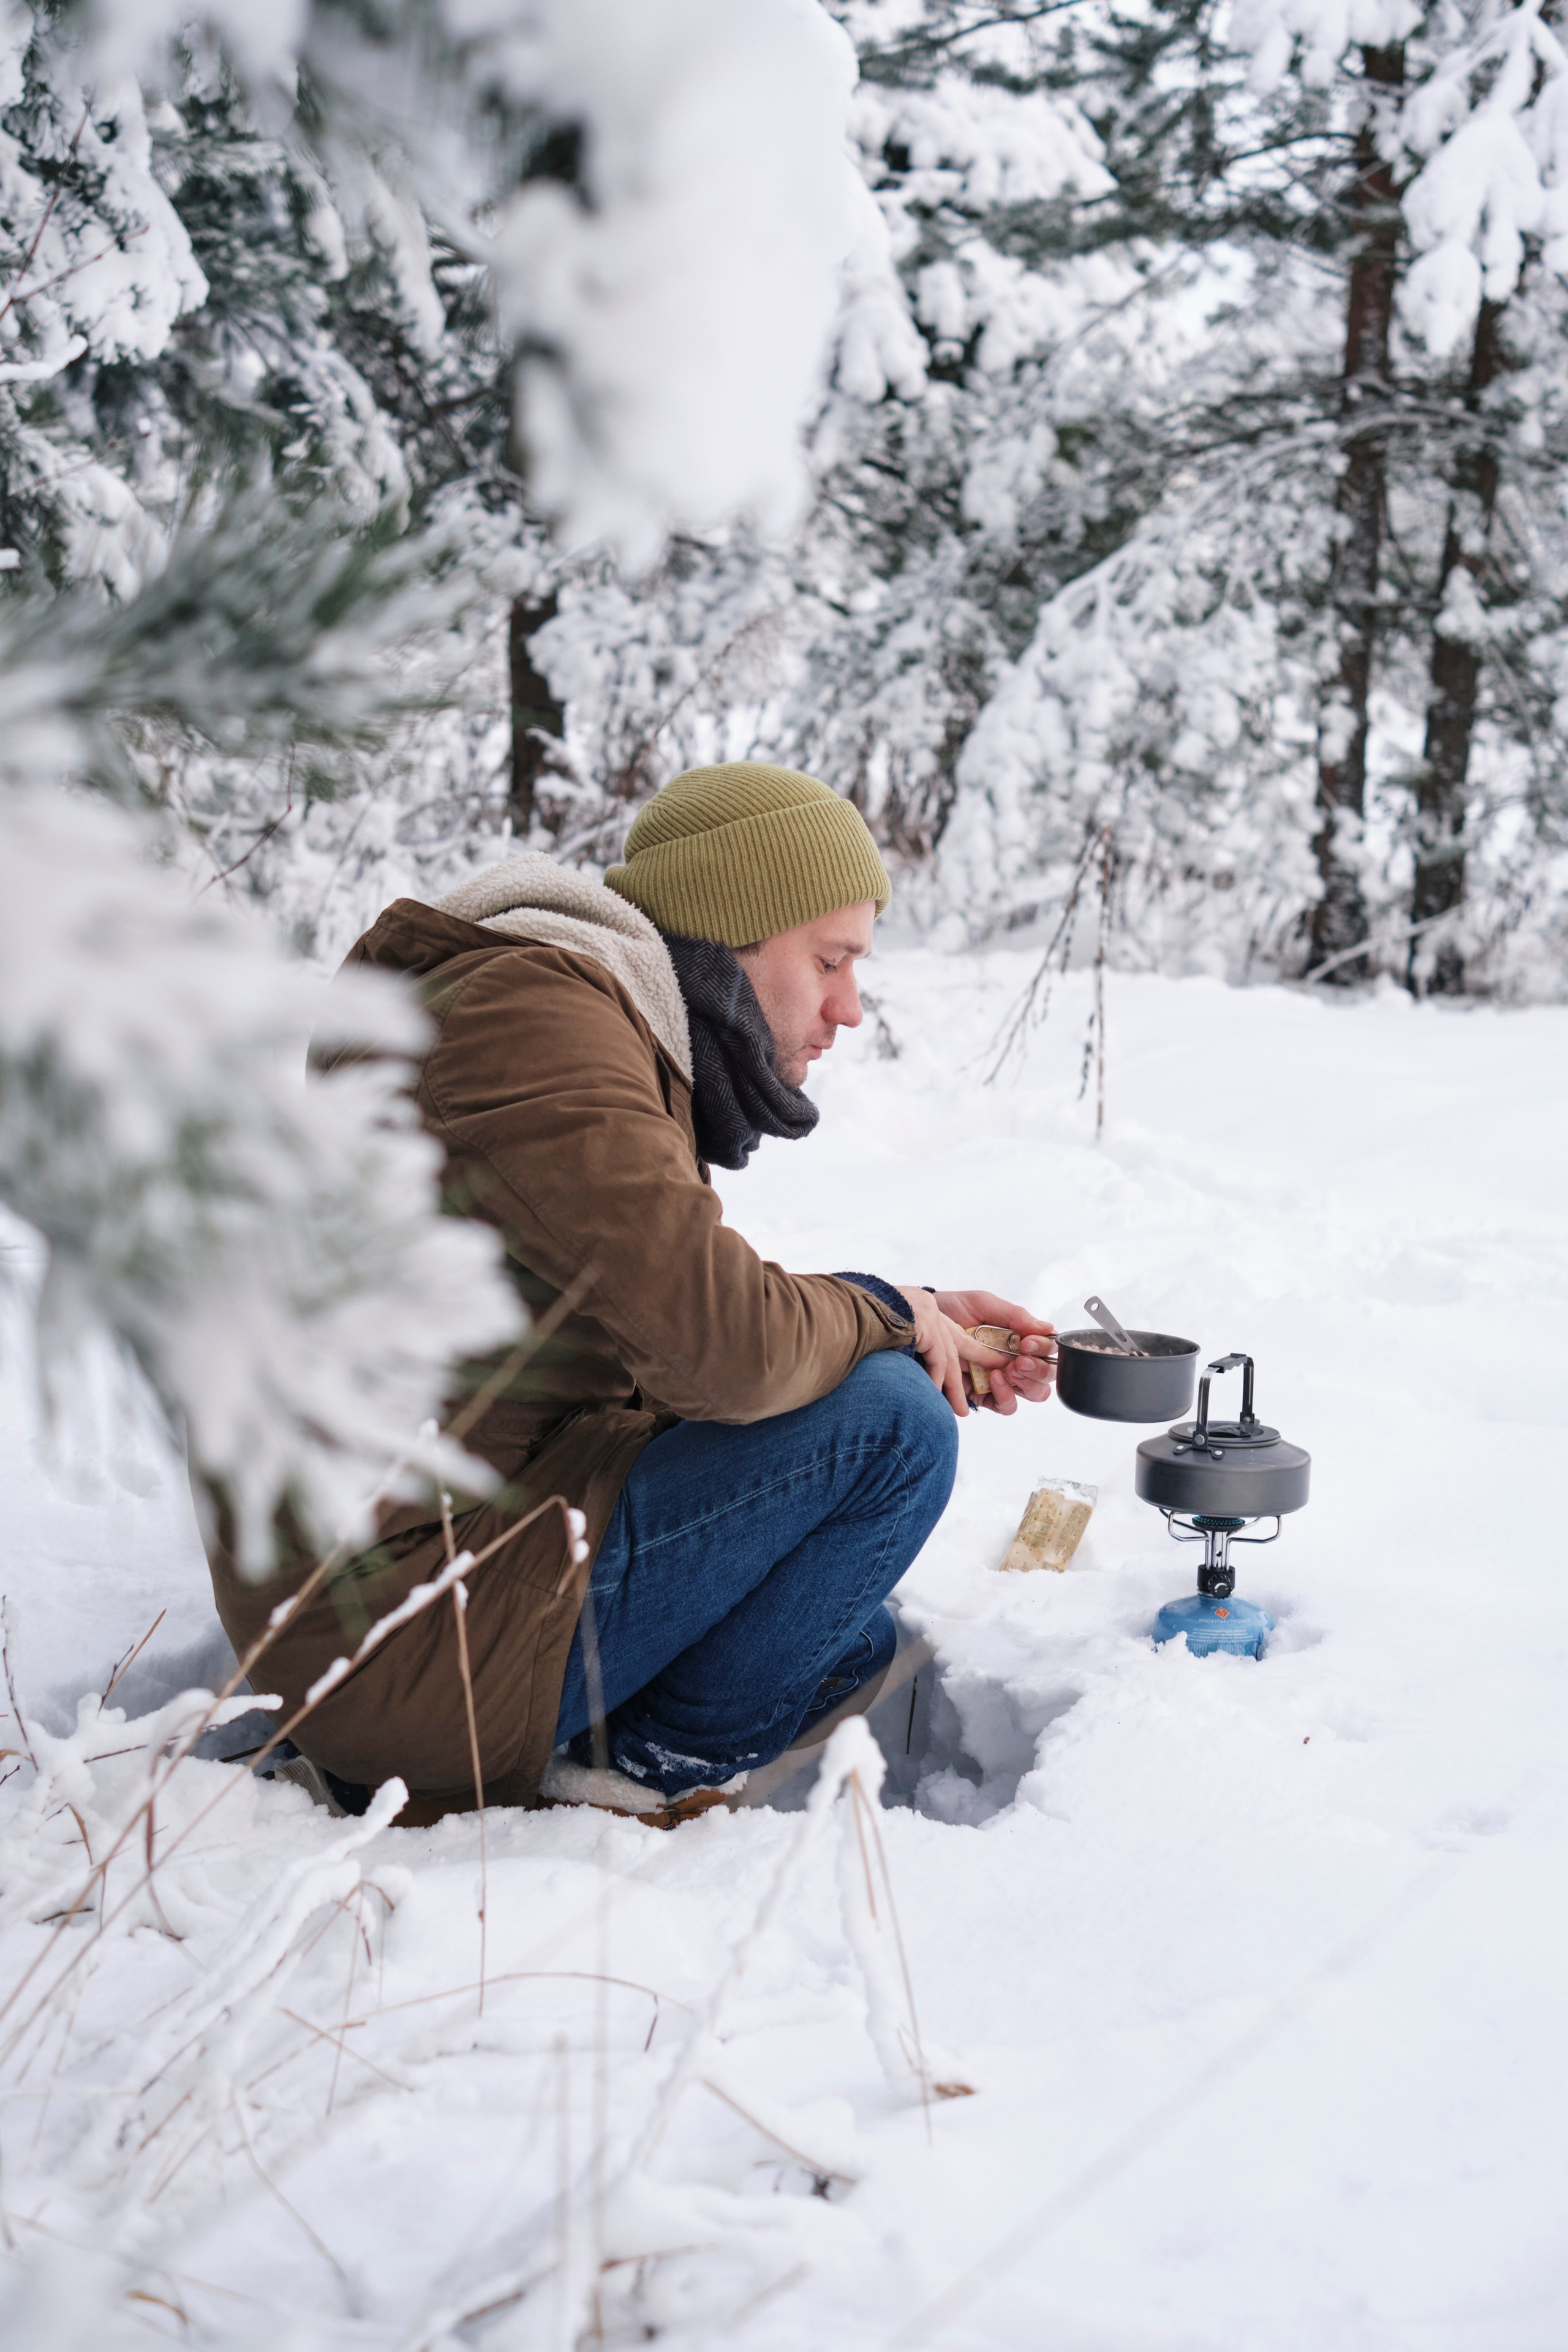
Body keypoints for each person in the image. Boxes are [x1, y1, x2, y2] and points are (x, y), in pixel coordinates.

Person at [205, 764, 1055, 1825]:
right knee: (892, 1434)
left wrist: (907, 1312)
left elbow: (659, 1328)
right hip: (397, 1642)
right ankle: (639, 1778)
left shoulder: (576, 1015)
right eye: (830, 960)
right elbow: (722, 1352)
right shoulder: (533, 1021)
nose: (849, 1008)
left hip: (434, 1564)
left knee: (852, 1635)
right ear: (728, 938)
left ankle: (625, 1727)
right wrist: (884, 1316)